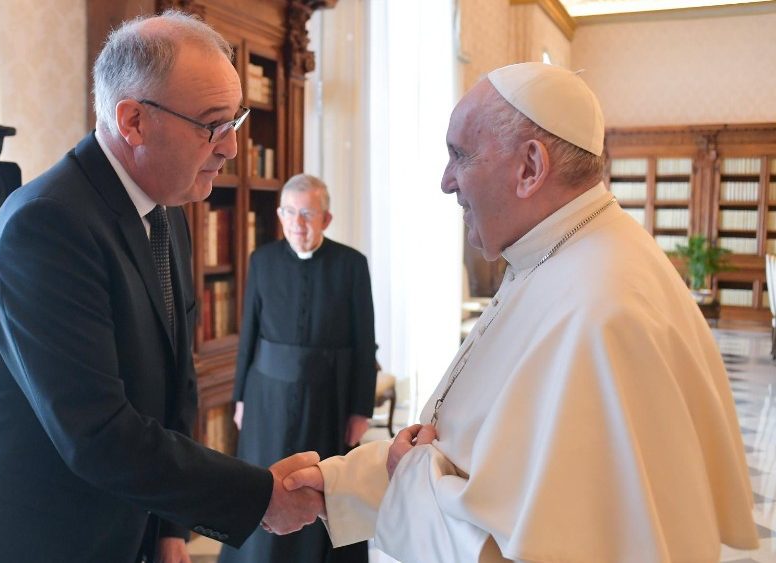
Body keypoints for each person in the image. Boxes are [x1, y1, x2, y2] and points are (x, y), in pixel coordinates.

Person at [285, 62, 760, 562]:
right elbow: (480, 468)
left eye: (459, 157)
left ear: (530, 168)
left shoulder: (601, 309)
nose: (446, 182)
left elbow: (528, 549)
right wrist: (340, 483)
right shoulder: (554, 255)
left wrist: (406, 477)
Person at [0, 11, 322, 563]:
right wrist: (260, 497)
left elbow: (177, 378)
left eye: (237, 122)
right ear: (133, 122)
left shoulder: (166, 203)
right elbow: (99, 432)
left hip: (111, 525)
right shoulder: (46, 226)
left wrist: (169, 527)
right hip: (22, 538)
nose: (231, 148)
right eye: (211, 125)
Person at [219, 174, 376, 563]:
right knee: (266, 482)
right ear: (279, 215)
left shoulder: (351, 265)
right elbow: (249, 336)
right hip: (266, 397)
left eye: (307, 213)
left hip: (329, 397)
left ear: (326, 218)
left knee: (319, 485)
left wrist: (361, 409)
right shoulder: (262, 260)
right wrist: (240, 398)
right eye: (289, 212)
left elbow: (364, 342)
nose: (297, 223)